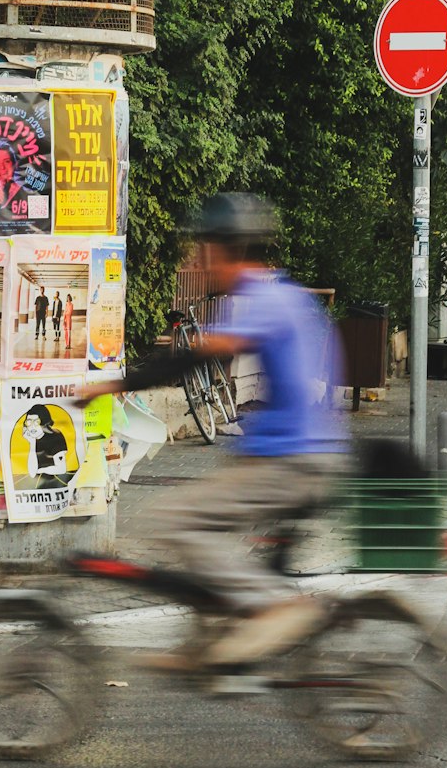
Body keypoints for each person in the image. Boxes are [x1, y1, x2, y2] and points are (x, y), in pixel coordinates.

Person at [84, 193, 347, 672]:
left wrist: (114, 383)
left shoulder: (264, 300)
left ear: (225, 251)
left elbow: (193, 356)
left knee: (174, 521)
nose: (204, 264)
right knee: (210, 533)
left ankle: (274, 607)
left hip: (292, 465)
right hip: (290, 457)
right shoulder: (280, 295)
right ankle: (214, 636)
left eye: (205, 252)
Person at [20, 404, 71, 489]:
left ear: (45, 422)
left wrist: (41, 470)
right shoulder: (32, 440)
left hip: (56, 484)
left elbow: (62, 469)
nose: (32, 426)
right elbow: (32, 473)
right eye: (29, 422)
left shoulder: (56, 437)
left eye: (36, 422)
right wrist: (32, 443)